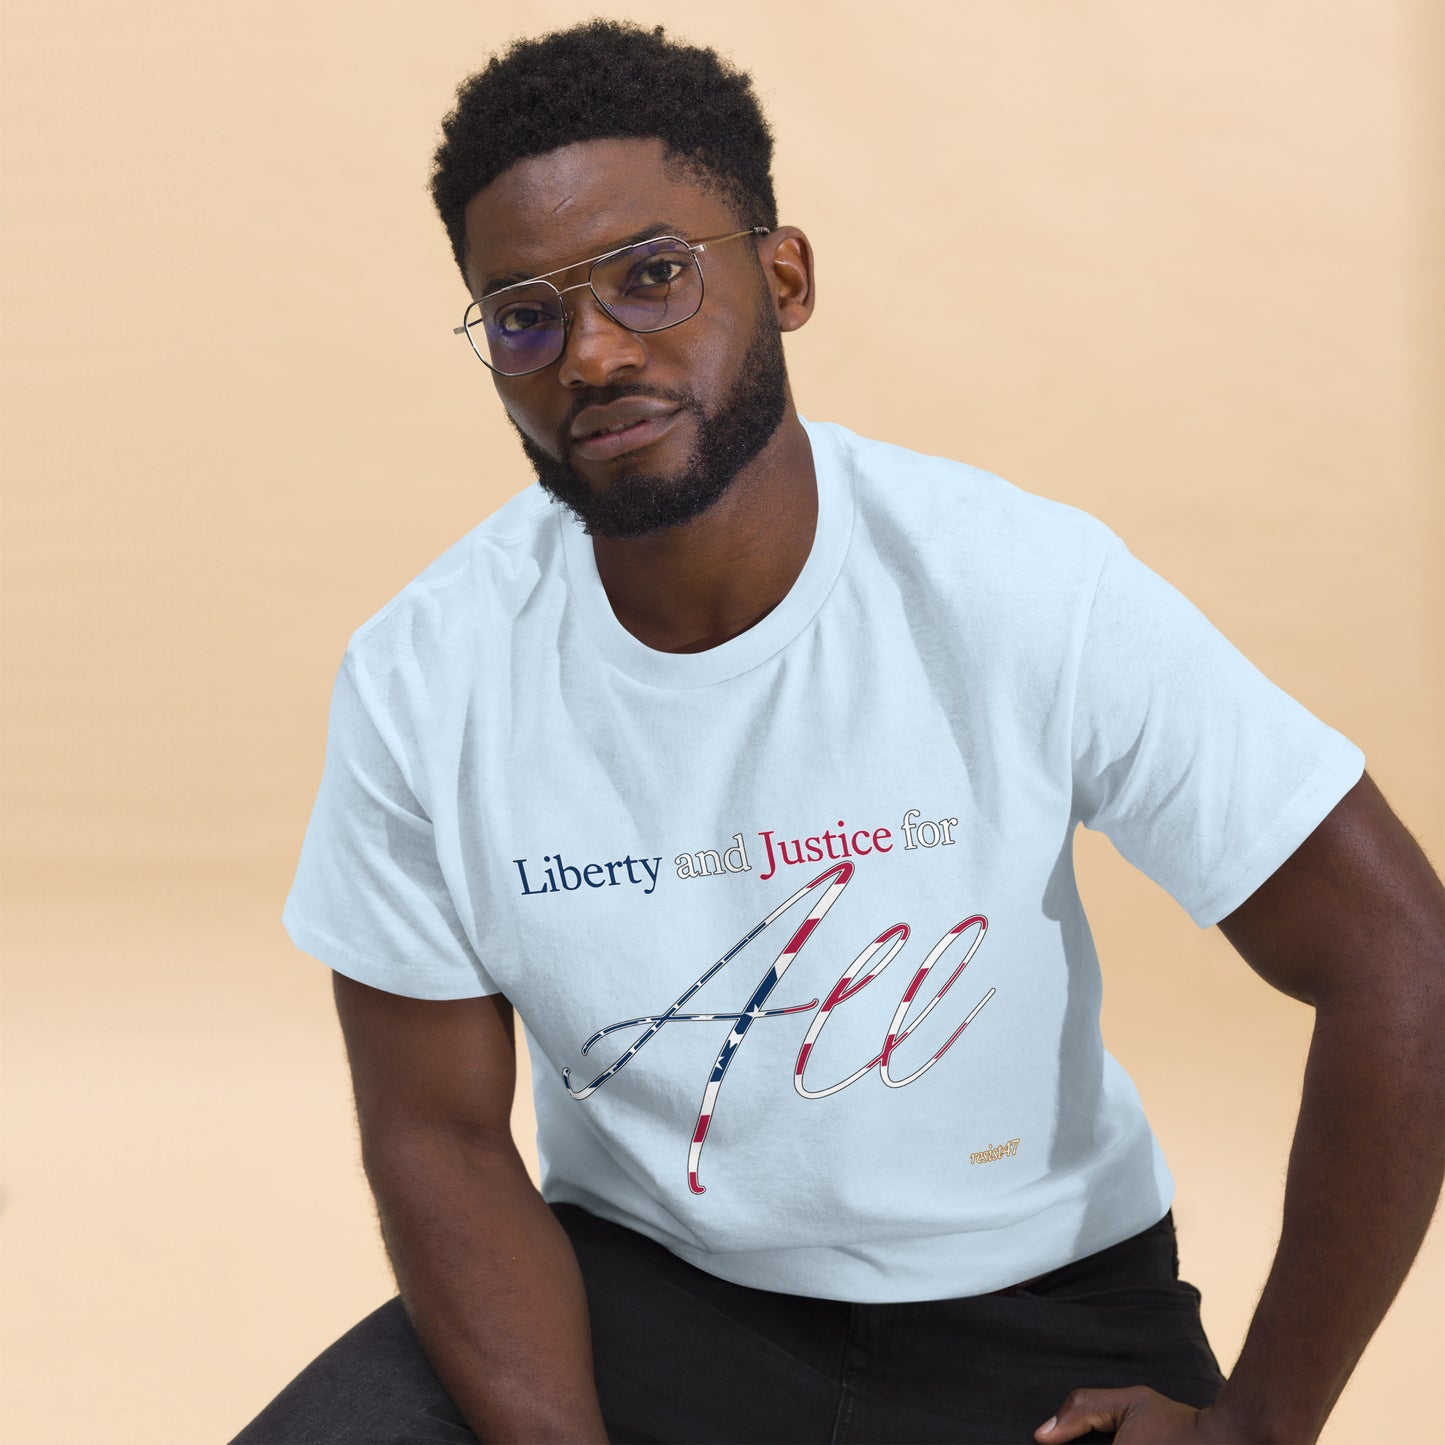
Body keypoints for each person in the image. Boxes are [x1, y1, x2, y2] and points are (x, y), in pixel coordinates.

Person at [233, 20, 1445, 1445]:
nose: (594, 352)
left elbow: (1399, 957)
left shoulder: (1019, 585)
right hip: (643, 1299)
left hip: (1034, 1320)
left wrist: (1260, 1424)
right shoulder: (423, 674)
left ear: (783, 276)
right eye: (523, 316)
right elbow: (434, 1130)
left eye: (653, 275)